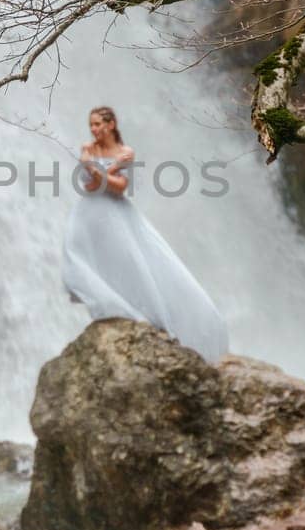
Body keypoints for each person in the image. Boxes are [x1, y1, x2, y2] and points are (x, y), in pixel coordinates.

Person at [61, 105, 229, 361]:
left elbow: (120, 189)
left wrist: (99, 170)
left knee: (130, 265)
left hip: (116, 215)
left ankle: (145, 314)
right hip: (88, 215)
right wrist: (109, 170)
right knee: (81, 260)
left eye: (97, 124)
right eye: (91, 125)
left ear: (111, 125)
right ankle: (106, 306)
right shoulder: (88, 150)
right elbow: (90, 184)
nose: (93, 129)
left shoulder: (125, 152)